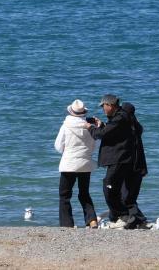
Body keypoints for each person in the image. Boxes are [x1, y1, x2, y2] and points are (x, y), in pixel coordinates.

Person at [88, 93, 137, 229]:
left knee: (109, 187)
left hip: (119, 159)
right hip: (121, 159)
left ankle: (123, 216)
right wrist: (102, 125)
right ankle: (122, 217)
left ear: (110, 105)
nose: (103, 109)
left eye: (103, 106)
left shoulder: (119, 118)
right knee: (113, 188)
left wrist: (90, 128)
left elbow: (101, 134)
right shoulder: (119, 117)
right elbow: (112, 132)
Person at [54, 99, 98, 228]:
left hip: (69, 164)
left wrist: (67, 151)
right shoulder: (90, 127)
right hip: (85, 163)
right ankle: (92, 220)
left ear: (71, 112)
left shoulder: (66, 126)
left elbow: (58, 146)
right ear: (83, 113)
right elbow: (96, 145)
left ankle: (67, 224)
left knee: (64, 195)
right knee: (84, 193)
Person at [120, 101, 149, 229]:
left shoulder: (126, 128)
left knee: (125, 196)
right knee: (130, 196)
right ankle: (135, 221)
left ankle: (139, 220)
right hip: (139, 168)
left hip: (130, 167)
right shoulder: (136, 127)